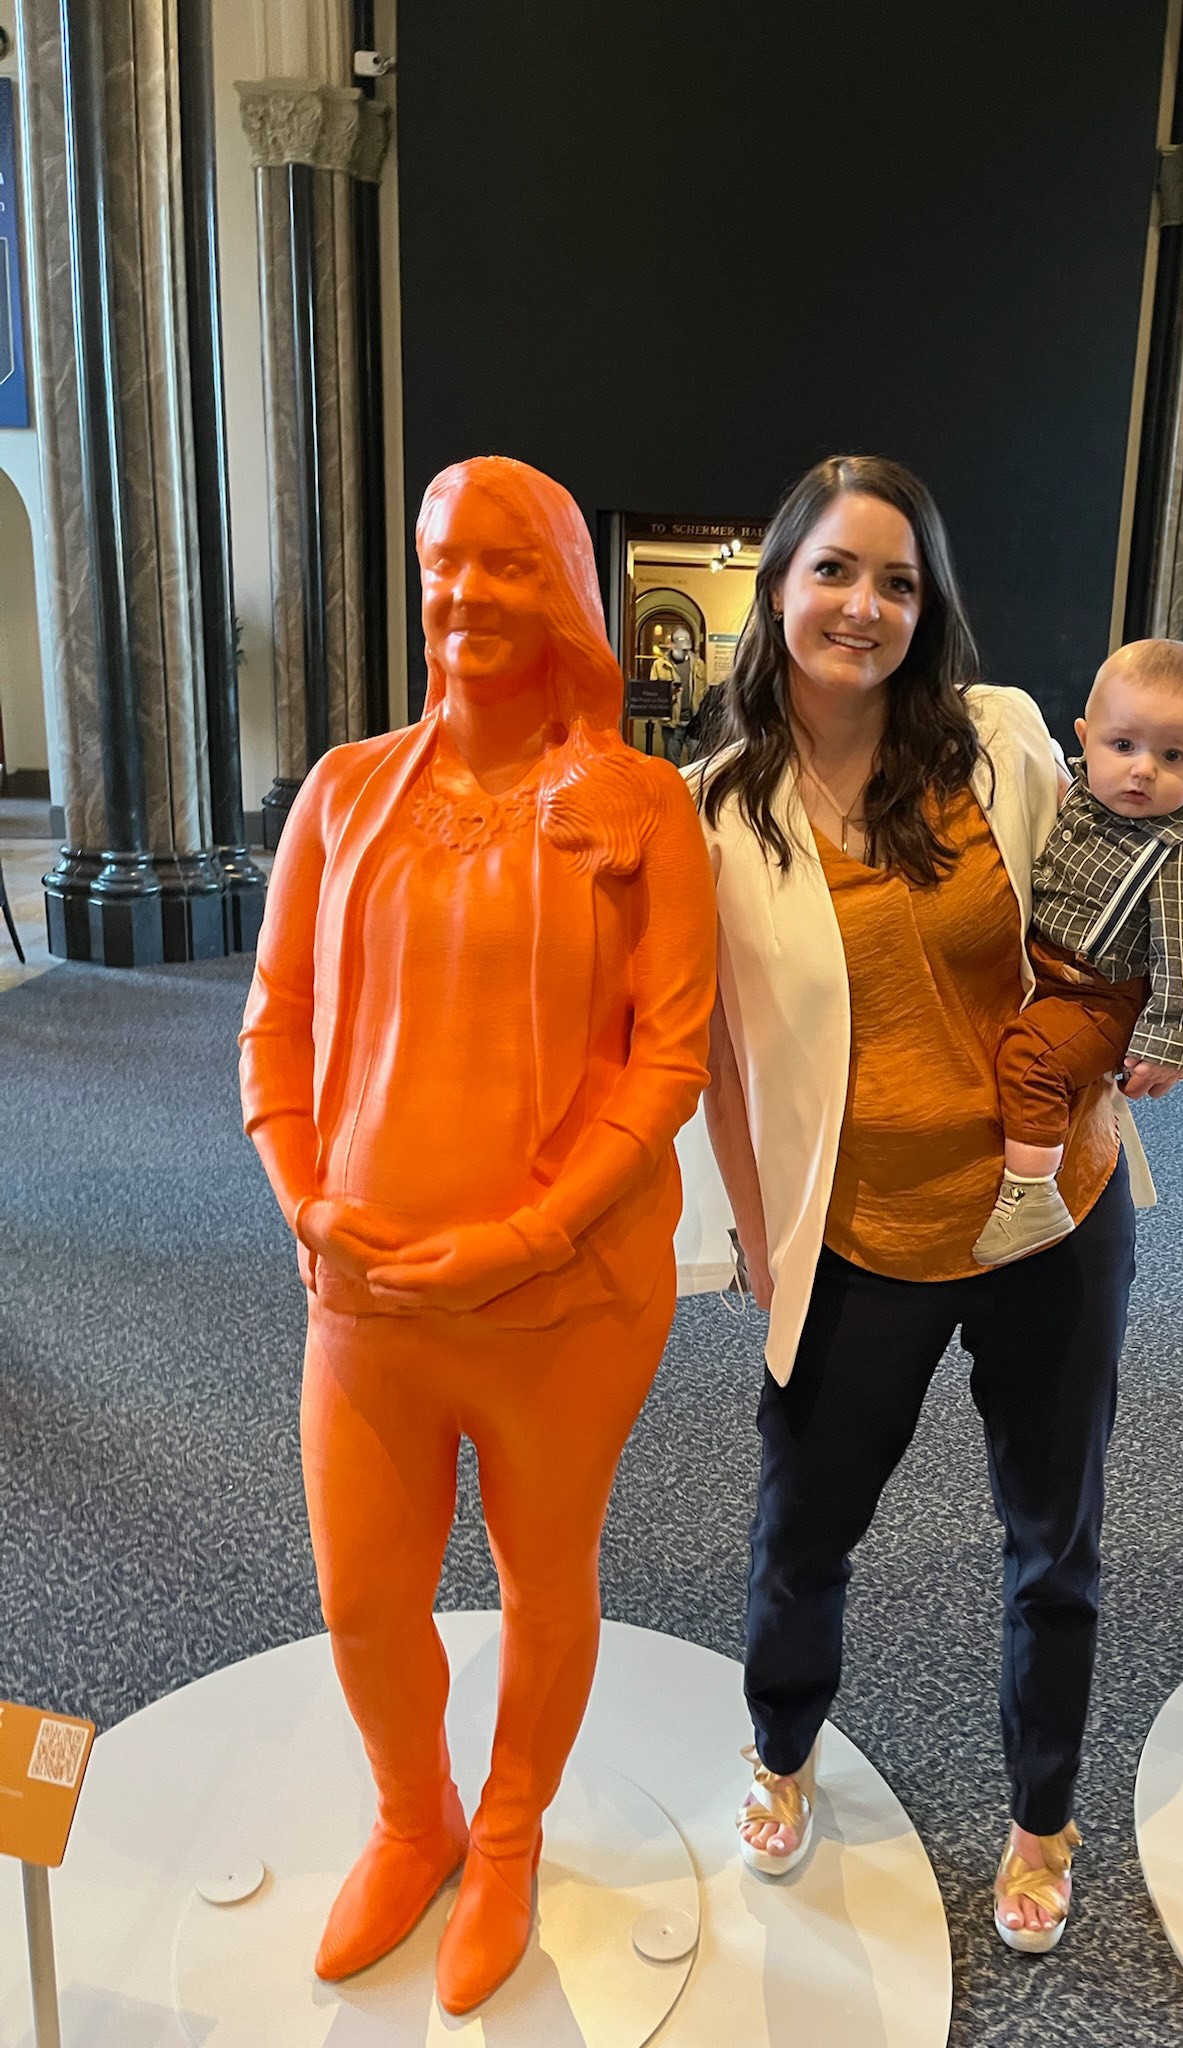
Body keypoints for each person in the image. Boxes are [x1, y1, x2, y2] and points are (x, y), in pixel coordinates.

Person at [239, 456, 714, 2016]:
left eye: (504, 566)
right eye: (443, 563)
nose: (462, 595)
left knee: (540, 1573)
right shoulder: (345, 787)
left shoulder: (641, 807)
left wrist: (535, 1233)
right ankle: (412, 1816)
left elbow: (671, 1058)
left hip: (569, 1296)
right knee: (363, 1600)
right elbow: (279, 1019)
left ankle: (505, 1838)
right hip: (365, 1288)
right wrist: (303, 1196)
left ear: (566, 593)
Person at [691, 453, 1183, 1954]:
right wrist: (758, 1239)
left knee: (1055, 1537)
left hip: (1053, 1214)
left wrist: (1152, 1028)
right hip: (861, 1239)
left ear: (930, 605)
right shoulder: (716, 807)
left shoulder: (1000, 740)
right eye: (835, 569)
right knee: (803, 1530)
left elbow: (1128, 877)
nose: (864, 605)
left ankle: (1044, 1816)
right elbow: (716, 1056)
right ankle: (783, 1751)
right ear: (779, 585)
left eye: (898, 581)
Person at [973, 640, 1183, 1264]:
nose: (1143, 770)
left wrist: (1170, 1046)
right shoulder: (1079, 798)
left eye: (1173, 756)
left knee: (1033, 1061)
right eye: (1123, 746)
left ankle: (1031, 1196)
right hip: (1049, 968)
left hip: (1104, 995)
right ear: (1085, 739)